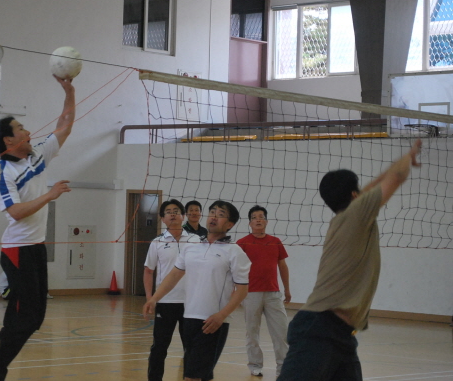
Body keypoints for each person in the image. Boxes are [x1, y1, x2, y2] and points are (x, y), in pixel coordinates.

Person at [278, 139, 422, 381]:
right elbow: (397, 176)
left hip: (340, 334)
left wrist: (398, 162)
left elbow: (373, 186)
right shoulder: (357, 213)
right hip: (319, 331)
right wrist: (409, 155)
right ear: (355, 195)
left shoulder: (348, 216)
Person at [0, 75, 76, 381]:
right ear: (8, 140)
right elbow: (16, 212)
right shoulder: (2, 171)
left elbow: (65, 124)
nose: (29, 132)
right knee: (28, 316)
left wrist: (69, 89)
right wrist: (50, 195)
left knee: (33, 317)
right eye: (21, 128)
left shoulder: (37, 155)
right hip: (17, 249)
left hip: (35, 247)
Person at [143, 200, 251, 381]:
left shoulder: (235, 251)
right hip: (189, 318)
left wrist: (221, 316)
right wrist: (154, 298)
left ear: (230, 224)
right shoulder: (191, 247)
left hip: (212, 321)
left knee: (192, 377)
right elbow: (174, 276)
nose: (214, 217)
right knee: (200, 375)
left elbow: (242, 291)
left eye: (221, 215)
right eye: (212, 212)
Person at [237, 205, 290, 377]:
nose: (258, 220)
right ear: (250, 223)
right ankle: (255, 364)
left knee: (281, 332)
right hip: (251, 294)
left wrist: (287, 289)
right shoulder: (242, 243)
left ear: (266, 221)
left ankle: (283, 368)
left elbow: (283, 266)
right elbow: (234, 268)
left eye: (261, 217)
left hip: (273, 294)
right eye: (254, 217)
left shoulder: (275, 242)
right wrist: (236, 292)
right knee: (252, 332)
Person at [144, 199, 191, 381]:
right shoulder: (157, 242)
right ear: (162, 218)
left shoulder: (195, 240)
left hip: (191, 303)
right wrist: (150, 298)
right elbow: (148, 271)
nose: (172, 214)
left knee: (191, 347)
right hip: (165, 302)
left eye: (176, 211)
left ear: (183, 216)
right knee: (160, 347)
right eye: (168, 212)